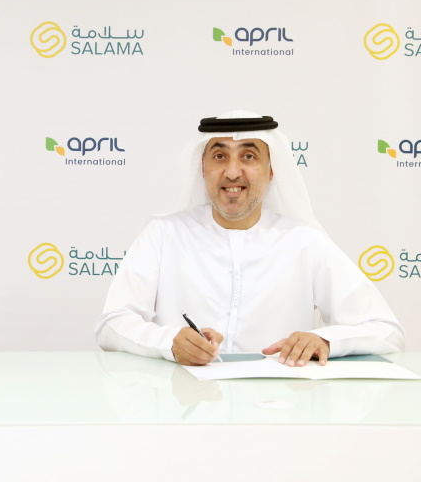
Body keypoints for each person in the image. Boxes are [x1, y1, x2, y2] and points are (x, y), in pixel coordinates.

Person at [96, 111, 404, 367]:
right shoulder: (163, 234)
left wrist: (325, 340)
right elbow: (112, 325)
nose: (232, 172)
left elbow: (387, 332)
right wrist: (169, 343)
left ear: (271, 171)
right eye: (219, 156)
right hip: (183, 404)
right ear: (203, 168)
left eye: (248, 156)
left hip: (281, 405)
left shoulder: (304, 242)